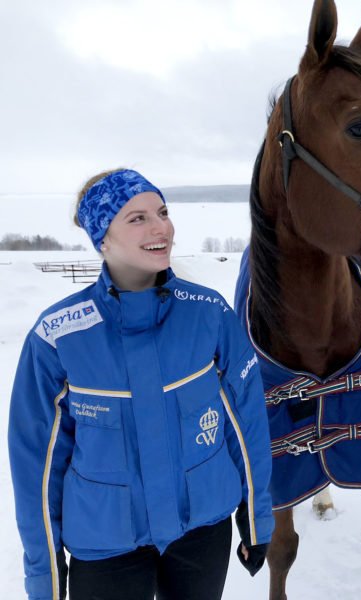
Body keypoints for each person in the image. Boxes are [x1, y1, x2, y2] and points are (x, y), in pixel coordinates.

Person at [8, 169, 274, 600]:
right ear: (103, 240)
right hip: (106, 547)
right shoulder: (57, 337)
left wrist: (257, 516)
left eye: (163, 212)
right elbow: (35, 468)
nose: (160, 227)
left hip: (201, 533)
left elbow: (246, 424)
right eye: (137, 218)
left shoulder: (209, 314)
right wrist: (46, 572)